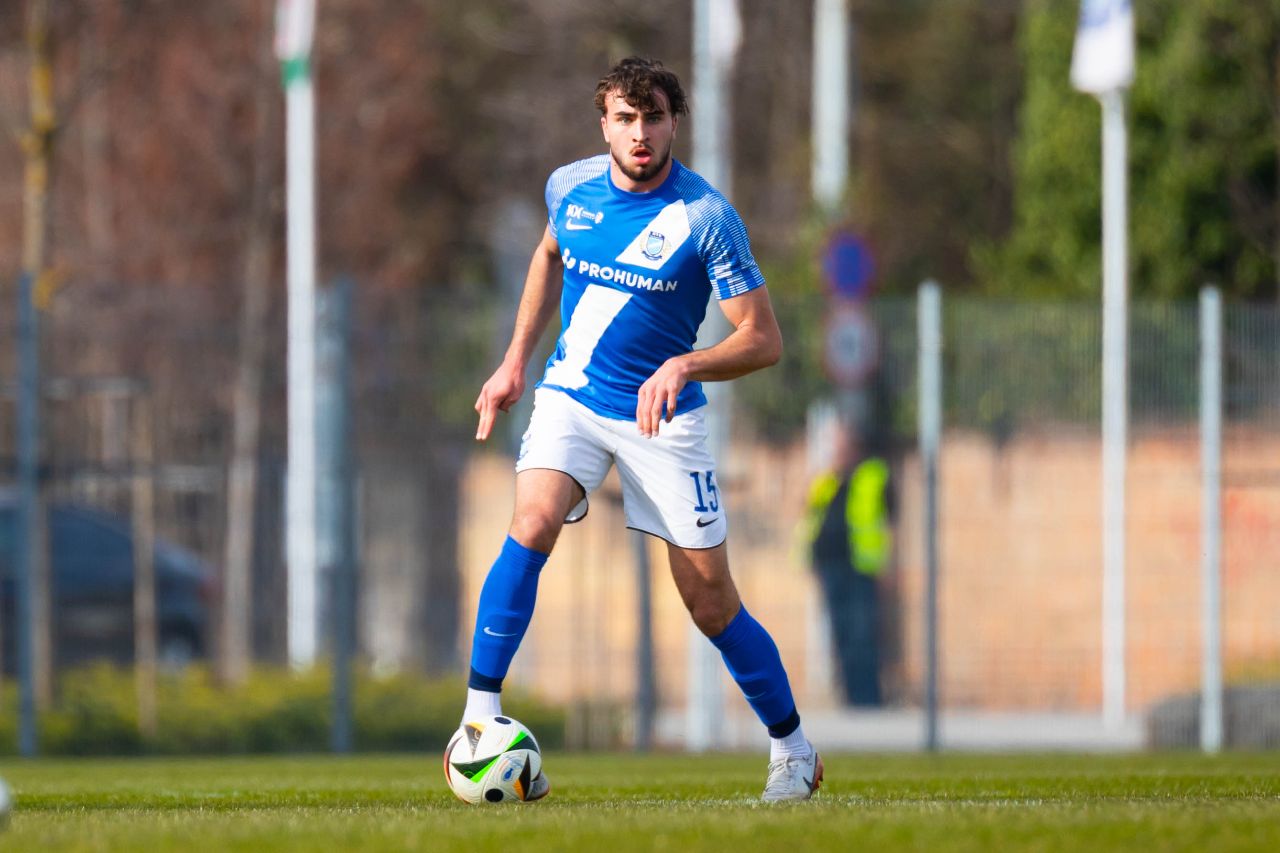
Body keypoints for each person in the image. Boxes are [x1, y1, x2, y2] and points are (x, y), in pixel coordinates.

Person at [462, 56, 821, 802]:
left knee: (710, 602)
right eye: (625, 118)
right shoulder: (569, 188)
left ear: (673, 123)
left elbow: (763, 339)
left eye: (653, 117)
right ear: (604, 125)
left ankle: (793, 749)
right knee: (531, 521)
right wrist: (514, 362)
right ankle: (478, 717)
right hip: (572, 396)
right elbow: (548, 255)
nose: (639, 133)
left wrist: (685, 364)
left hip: (662, 421)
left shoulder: (706, 217)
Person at [801, 423, 893, 706]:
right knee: (840, 634)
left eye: (841, 444)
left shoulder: (873, 475)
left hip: (862, 569)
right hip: (831, 567)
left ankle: (868, 698)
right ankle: (852, 698)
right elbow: (811, 517)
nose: (837, 451)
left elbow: (889, 524)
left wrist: (888, 567)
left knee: (862, 635)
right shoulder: (827, 480)